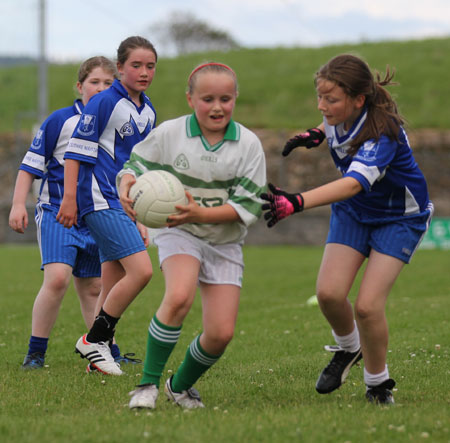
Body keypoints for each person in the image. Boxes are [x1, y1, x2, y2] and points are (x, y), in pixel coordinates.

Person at [261, 54, 433, 405]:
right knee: (328, 294)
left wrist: (296, 201)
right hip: (355, 213)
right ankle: (348, 349)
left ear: (358, 100)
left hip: (399, 217)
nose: (323, 106)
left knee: (368, 307)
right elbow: (334, 126)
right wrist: (316, 133)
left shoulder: (382, 133)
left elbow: (354, 183)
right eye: (319, 97)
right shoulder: (341, 115)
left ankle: (377, 384)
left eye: (331, 100)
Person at [117, 62, 267, 409]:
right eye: (208, 99)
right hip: (178, 230)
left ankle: (179, 386)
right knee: (180, 296)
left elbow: (248, 205)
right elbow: (134, 165)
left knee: (220, 334)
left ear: (235, 99)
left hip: (225, 241)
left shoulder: (248, 144)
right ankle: (146, 387)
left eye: (226, 99)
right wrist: (127, 185)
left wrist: (200, 211)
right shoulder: (171, 133)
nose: (217, 107)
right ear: (190, 99)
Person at [9, 56, 121, 370]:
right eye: (94, 82)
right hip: (57, 213)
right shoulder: (60, 121)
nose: (100, 89)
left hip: (96, 217)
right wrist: (19, 204)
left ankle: (105, 350)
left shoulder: (116, 126)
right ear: (80, 86)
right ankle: (35, 354)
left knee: (93, 288)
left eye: (108, 83)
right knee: (57, 279)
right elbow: (29, 166)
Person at [56, 36, 158, 376]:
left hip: (124, 203)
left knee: (112, 280)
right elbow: (74, 152)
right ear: (120, 68)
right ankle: (94, 340)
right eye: (136, 65)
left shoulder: (149, 111)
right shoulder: (103, 102)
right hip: (98, 199)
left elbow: (140, 168)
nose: (144, 72)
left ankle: (98, 359)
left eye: (150, 66)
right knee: (141, 271)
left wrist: (141, 215)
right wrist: (70, 198)